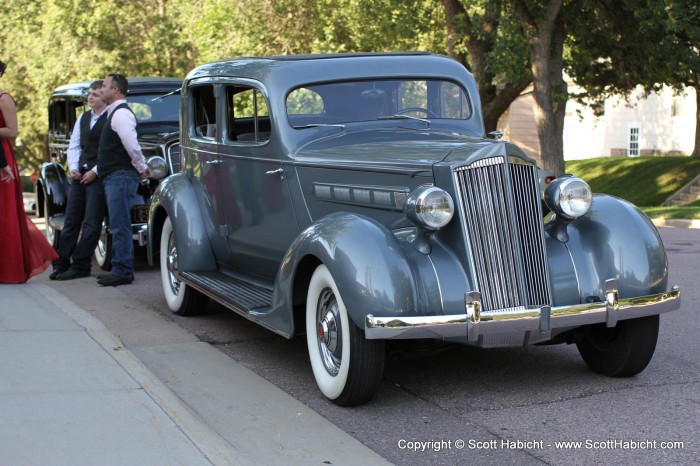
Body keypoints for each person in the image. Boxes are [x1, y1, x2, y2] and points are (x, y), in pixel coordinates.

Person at [0, 59, 59, 283]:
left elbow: (12, 131)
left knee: (5, 212)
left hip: (3, 155)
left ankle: (9, 268)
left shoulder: (4, 99)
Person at [95, 73, 150, 286]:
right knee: (117, 224)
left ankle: (123, 271)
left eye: (105, 85)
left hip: (120, 175)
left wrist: (142, 168)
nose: (101, 89)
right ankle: (120, 268)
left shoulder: (121, 115)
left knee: (120, 225)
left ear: (115, 90)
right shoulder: (115, 113)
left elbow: (132, 145)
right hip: (116, 176)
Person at [50, 80, 107, 280]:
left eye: (96, 94)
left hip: (98, 177)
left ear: (105, 97)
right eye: (90, 93)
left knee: (92, 223)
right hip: (79, 175)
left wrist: (95, 171)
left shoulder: (112, 118)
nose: (90, 97)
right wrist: (73, 168)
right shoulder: (83, 117)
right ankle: (61, 262)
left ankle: (81, 265)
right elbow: (74, 146)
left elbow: (111, 151)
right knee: (71, 220)